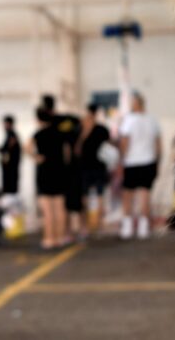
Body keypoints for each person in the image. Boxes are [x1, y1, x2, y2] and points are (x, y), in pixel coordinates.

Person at [118, 84, 161, 240]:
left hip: (131, 162)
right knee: (145, 194)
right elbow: (158, 144)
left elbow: (124, 142)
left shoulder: (128, 120)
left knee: (128, 195)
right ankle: (143, 227)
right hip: (148, 161)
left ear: (136, 103)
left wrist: (121, 159)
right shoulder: (152, 120)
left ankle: (128, 227)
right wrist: (157, 161)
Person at [41, 95, 84, 239]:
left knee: (59, 204)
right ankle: (68, 232)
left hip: (58, 169)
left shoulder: (49, 126)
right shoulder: (66, 120)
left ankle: (64, 233)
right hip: (66, 167)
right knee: (66, 202)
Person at [28, 106, 69, 249]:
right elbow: (66, 153)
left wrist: (36, 157)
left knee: (47, 210)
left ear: (38, 119)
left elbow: (26, 147)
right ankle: (60, 237)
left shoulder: (38, 134)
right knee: (59, 207)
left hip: (45, 172)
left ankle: (49, 238)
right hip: (59, 171)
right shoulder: (60, 133)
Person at [75, 104, 111, 237]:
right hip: (86, 168)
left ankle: (95, 226)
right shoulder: (82, 129)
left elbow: (109, 147)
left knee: (98, 197)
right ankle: (88, 227)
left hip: (96, 168)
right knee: (87, 198)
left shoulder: (101, 129)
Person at [0, 115, 21, 197]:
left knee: (11, 190)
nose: (4, 126)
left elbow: (7, 149)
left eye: (5, 123)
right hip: (9, 168)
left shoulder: (12, 135)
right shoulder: (9, 135)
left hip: (11, 169)